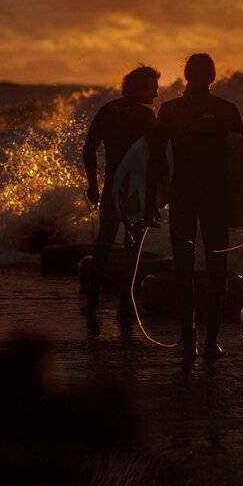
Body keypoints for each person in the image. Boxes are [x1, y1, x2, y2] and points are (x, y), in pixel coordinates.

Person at [146, 53, 243, 360]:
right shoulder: (225, 110)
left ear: (187, 75)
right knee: (216, 269)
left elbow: (156, 158)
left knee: (184, 270)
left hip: (184, 197)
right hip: (214, 198)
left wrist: (151, 199)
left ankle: (189, 341)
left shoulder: (171, 109)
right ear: (212, 77)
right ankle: (210, 342)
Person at [81, 64, 161, 325]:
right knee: (133, 247)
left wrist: (93, 184)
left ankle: (92, 298)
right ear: (138, 88)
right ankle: (126, 301)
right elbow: (156, 162)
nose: (157, 93)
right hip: (136, 193)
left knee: (103, 244)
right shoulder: (146, 118)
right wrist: (155, 199)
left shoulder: (108, 110)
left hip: (112, 188)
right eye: (152, 87)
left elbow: (89, 148)